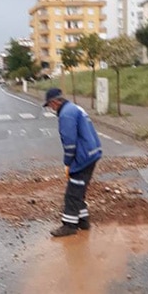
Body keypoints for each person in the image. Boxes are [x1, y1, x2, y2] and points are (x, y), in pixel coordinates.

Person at [43, 88, 102, 237]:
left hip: (83, 157)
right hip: (91, 153)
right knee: (79, 190)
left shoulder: (66, 115)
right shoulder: (74, 108)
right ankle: (83, 221)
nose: (51, 108)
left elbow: (69, 143)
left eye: (50, 105)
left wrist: (68, 163)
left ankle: (69, 226)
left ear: (55, 101)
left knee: (72, 193)